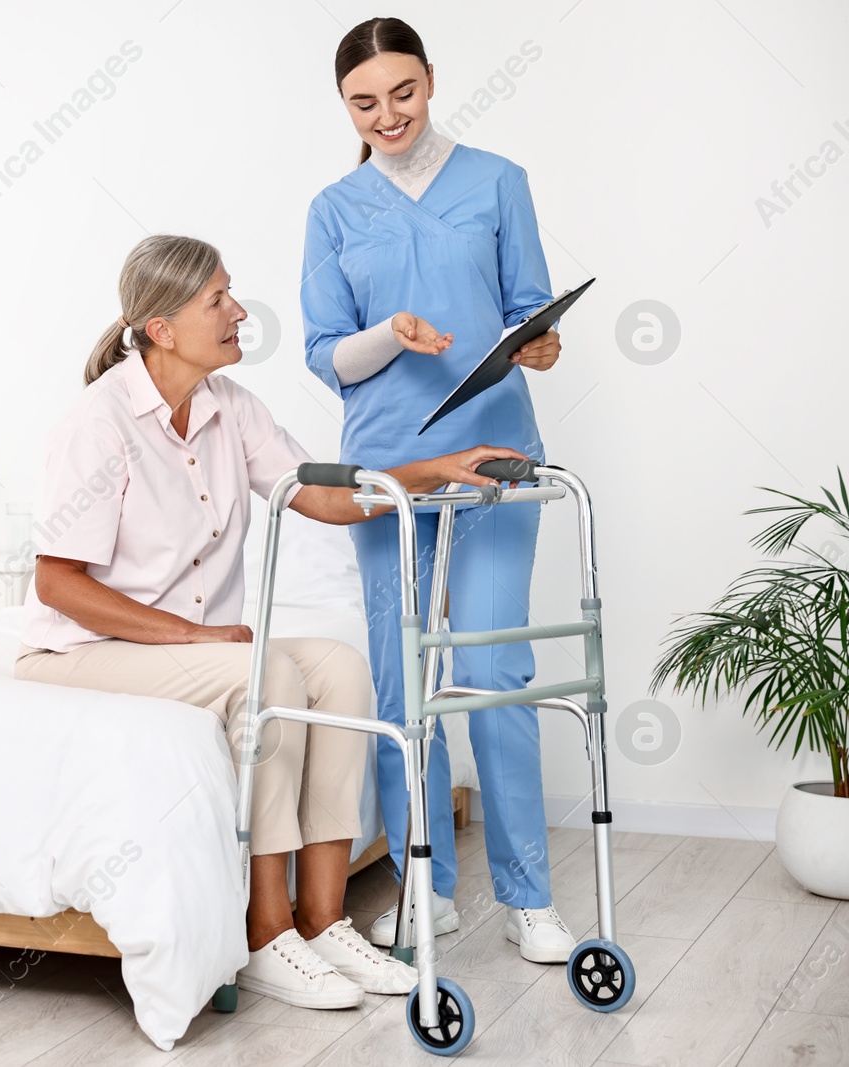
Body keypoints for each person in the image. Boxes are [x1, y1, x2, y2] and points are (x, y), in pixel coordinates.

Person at [16, 233, 529, 1009]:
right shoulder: (100, 421)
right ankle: (267, 931)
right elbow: (56, 583)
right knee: (273, 675)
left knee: (341, 667)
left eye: (231, 292)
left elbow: (321, 497)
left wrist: (428, 472)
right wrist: (195, 635)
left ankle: (323, 921)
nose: (238, 311)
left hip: (186, 650)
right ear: (161, 328)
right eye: (216, 299)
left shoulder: (231, 407)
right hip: (83, 651)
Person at [301, 16, 575, 963]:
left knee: (497, 670)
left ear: (430, 80)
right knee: (401, 677)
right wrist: (391, 333)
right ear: (345, 105)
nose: (388, 115)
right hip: (387, 468)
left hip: (493, 451)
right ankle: (428, 886)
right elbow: (325, 355)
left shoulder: (499, 181)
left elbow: (527, 313)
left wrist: (538, 341)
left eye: (403, 93)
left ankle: (530, 898)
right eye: (364, 103)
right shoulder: (334, 209)